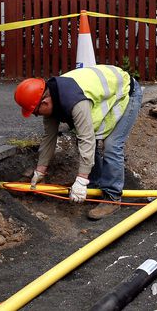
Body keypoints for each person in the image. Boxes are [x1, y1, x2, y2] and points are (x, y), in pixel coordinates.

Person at [13, 65, 142, 220]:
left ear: (45, 103)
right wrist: (40, 171)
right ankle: (94, 184)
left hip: (127, 93)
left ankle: (112, 198)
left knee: (112, 145)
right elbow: (49, 138)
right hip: (106, 94)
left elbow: (87, 138)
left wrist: (80, 180)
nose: (36, 116)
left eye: (35, 112)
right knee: (85, 138)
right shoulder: (52, 97)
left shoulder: (74, 101)